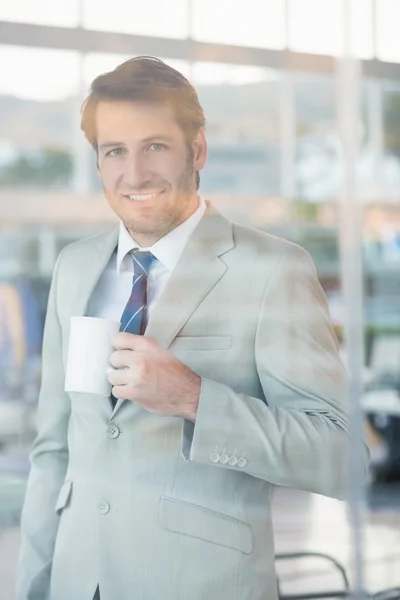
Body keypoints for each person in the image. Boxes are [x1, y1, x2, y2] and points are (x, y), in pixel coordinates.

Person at [17, 56, 369, 600]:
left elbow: (342, 458)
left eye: (154, 145)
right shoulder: (74, 267)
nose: (134, 172)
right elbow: (53, 452)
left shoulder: (273, 269)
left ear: (197, 149)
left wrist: (196, 399)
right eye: (115, 151)